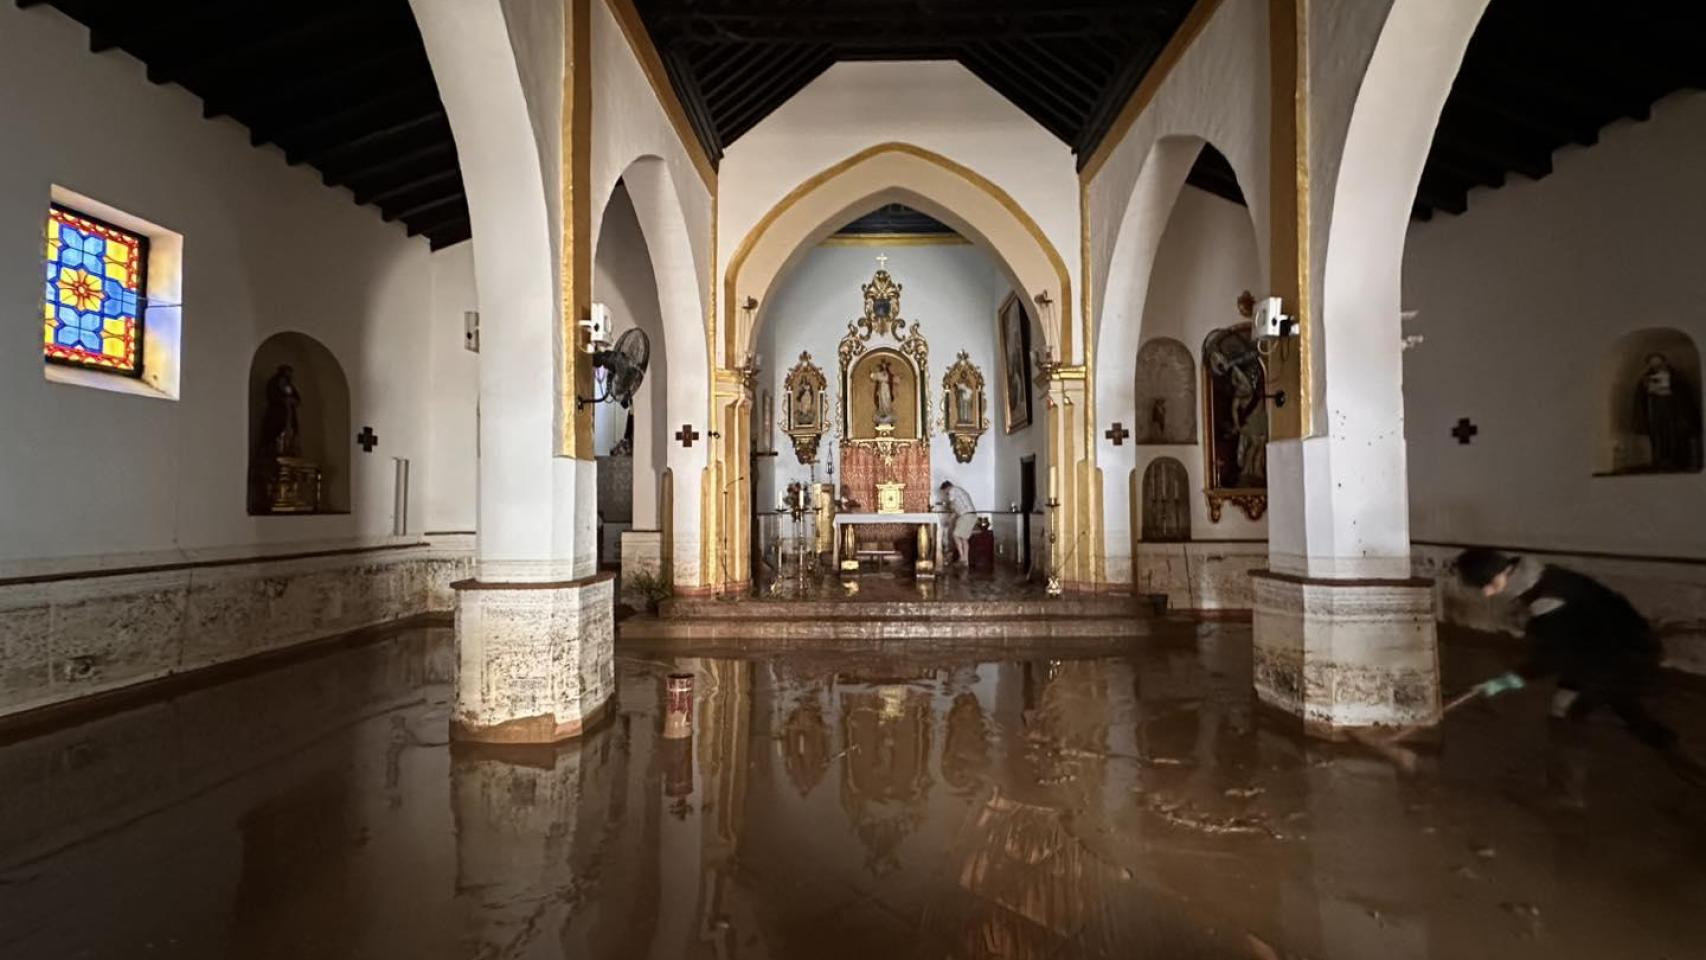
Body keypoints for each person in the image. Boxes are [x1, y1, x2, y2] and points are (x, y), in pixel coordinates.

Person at [1455, 547, 1701, 783]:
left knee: (1567, 711)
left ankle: (1565, 795)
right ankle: (1693, 771)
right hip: (1609, 652)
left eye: (1487, 585)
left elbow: (1555, 656)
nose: (1487, 593)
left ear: (1500, 573)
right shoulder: (1541, 579)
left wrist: (1506, 680)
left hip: (1619, 657)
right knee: (1631, 713)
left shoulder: (1547, 597)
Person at [938, 481, 976, 566]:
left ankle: (963, 558)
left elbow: (951, 506)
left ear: (947, 488)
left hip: (966, 516)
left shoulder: (953, 490)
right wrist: (949, 520)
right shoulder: (959, 490)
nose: (945, 494)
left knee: (956, 535)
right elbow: (955, 510)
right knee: (963, 538)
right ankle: (965, 560)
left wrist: (945, 505)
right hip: (969, 515)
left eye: (944, 492)